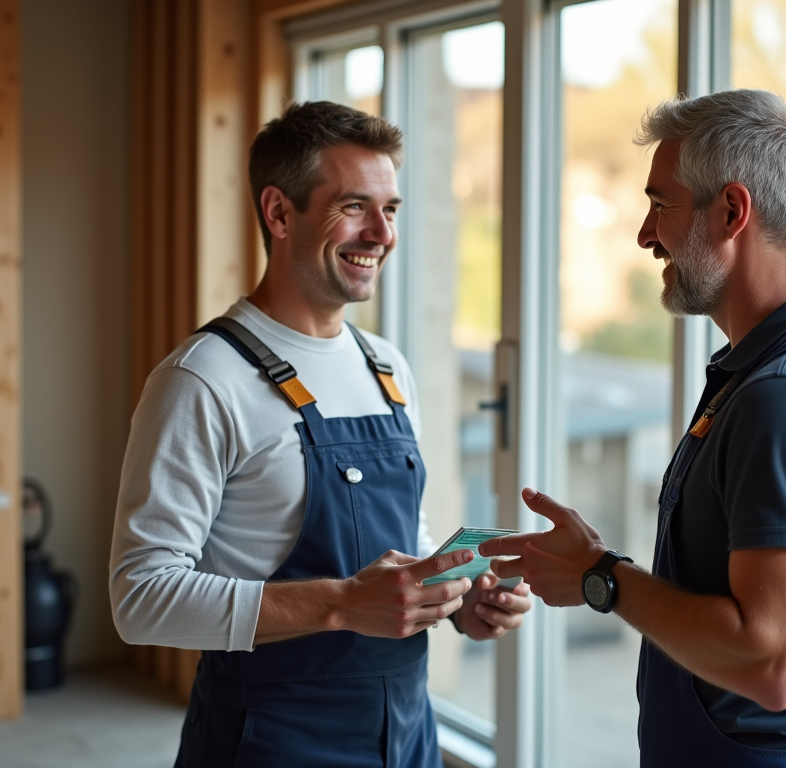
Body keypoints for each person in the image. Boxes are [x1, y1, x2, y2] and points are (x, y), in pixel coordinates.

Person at [480, 89, 786, 768]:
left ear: (732, 211)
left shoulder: (785, 397)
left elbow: (772, 663)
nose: (647, 234)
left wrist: (601, 576)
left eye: (661, 205)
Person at [109, 100, 531, 768]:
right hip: (270, 740)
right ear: (279, 213)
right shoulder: (202, 379)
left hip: (406, 734)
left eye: (390, 210)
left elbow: (403, 545)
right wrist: (339, 604)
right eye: (354, 206)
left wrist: (457, 601)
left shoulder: (387, 367)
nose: (381, 234)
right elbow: (141, 598)